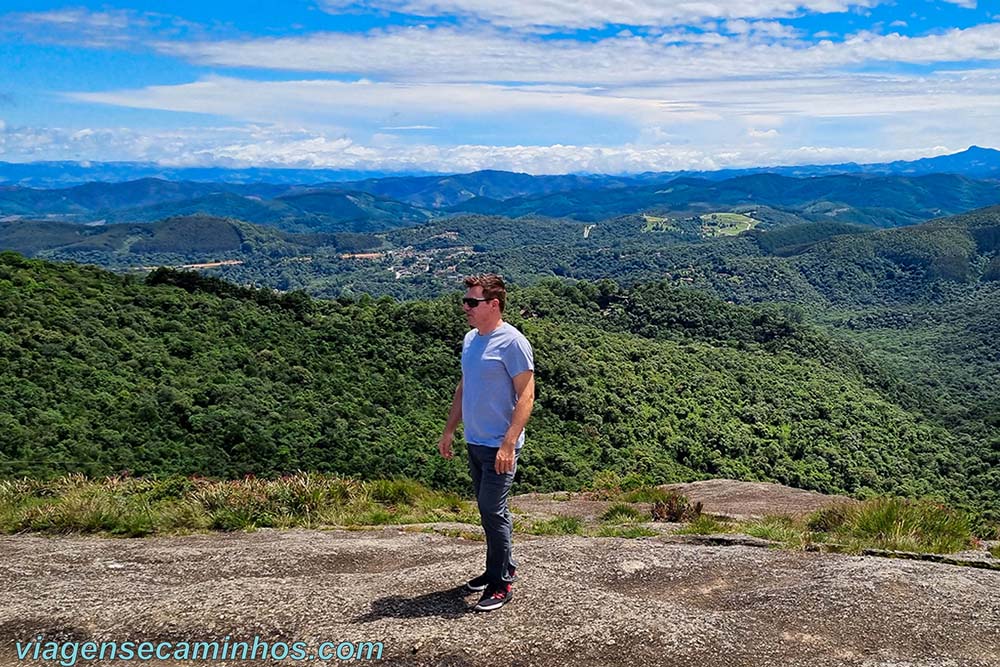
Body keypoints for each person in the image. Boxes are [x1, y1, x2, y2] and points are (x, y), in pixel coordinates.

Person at [437, 273, 535, 612]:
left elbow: (527, 394)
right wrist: (450, 429)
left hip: (498, 445)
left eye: (472, 302)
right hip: (475, 441)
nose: (465, 307)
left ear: (493, 305)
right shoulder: (470, 339)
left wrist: (509, 443)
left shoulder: (513, 342)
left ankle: (500, 583)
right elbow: (464, 387)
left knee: (492, 511)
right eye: (465, 301)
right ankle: (501, 567)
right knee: (489, 510)